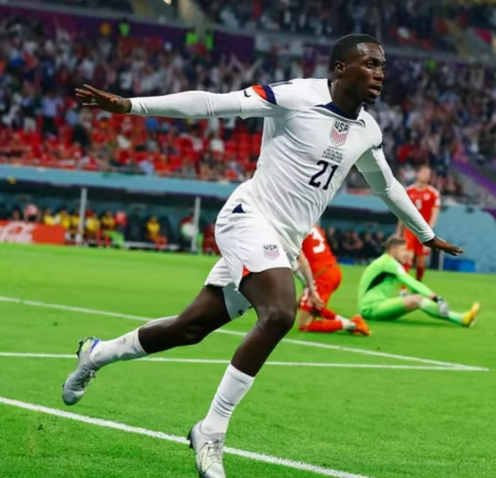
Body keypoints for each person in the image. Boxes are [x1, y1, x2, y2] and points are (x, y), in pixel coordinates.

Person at [64, 34, 461, 478]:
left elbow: (386, 185)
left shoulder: (368, 130)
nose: (380, 73)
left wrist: (426, 236)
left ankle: (97, 354)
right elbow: (213, 103)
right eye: (370, 64)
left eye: (382, 66)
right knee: (280, 313)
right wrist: (131, 106)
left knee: (189, 328)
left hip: (283, 242)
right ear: (339, 68)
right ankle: (211, 430)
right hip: (248, 218)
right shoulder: (294, 96)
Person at [358, 236, 478, 327]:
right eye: (404, 250)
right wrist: (436, 298)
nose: (406, 254)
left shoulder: (386, 262)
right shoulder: (389, 263)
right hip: (371, 308)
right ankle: (461, 319)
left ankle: (463, 319)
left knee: (417, 299)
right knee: (418, 300)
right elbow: (411, 281)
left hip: (376, 306)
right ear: (393, 249)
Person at [296, 225, 370, 335]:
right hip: (332, 269)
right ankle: (350, 322)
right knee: (312, 305)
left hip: (321, 275)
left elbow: (303, 262)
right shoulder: (313, 226)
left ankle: (353, 324)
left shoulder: (294, 230)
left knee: (304, 324)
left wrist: (311, 287)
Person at [396, 164, 440, 281]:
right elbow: (402, 213)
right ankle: (403, 288)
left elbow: (435, 213)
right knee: (407, 257)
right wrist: (399, 231)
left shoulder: (433, 193)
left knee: (421, 262)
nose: (427, 176)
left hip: (424, 230)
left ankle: (418, 284)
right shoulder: (408, 191)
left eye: (428, 174)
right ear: (417, 174)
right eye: (424, 173)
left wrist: (430, 231)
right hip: (410, 229)